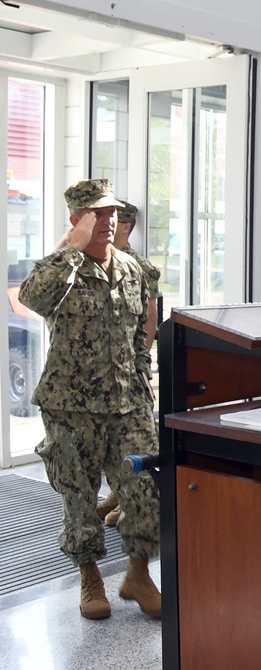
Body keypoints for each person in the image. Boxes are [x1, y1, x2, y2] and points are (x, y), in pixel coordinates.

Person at [20, 179, 163, 621]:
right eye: (98, 214)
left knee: (144, 492)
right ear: (77, 219)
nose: (109, 220)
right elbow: (31, 297)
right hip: (72, 407)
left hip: (127, 404)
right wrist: (71, 248)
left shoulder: (132, 267)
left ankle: (138, 575)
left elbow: (142, 329)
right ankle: (90, 578)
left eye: (112, 212)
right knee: (79, 497)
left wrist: (141, 380)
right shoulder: (61, 269)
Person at [96, 200, 161, 528]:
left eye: (112, 221)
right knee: (105, 440)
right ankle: (118, 494)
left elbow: (150, 318)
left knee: (136, 440)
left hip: (128, 369)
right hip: (98, 374)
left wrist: (140, 359)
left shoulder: (139, 266)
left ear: (125, 226)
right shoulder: (96, 261)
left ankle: (135, 505)